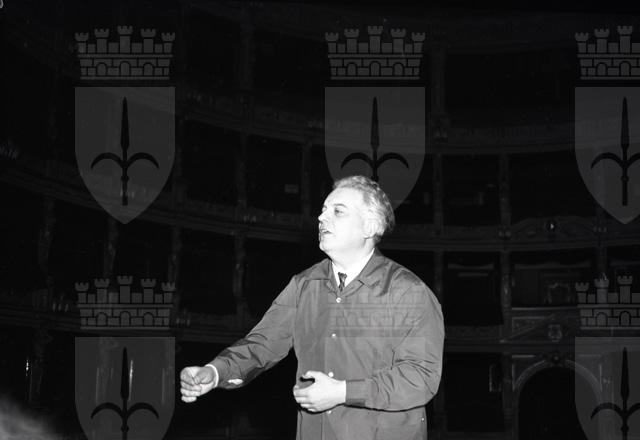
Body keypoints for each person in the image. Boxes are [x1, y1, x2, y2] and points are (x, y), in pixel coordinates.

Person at [180, 175, 444, 440]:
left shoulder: (409, 291)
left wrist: (343, 392)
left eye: (338, 211)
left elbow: (421, 377)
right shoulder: (303, 285)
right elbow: (262, 344)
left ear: (370, 227)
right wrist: (216, 371)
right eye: (323, 210)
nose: (321, 217)